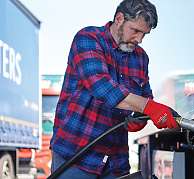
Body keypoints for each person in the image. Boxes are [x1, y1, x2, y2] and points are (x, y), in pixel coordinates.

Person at [50, 0, 180, 178]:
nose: (139, 39)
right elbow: (102, 88)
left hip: (115, 161)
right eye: (135, 31)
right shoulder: (88, 39)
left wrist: (139, 119)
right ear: (119, 19)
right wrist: (148, 107)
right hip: (75, 154)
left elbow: (145, 97)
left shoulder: (141, 58)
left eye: (144, 34)